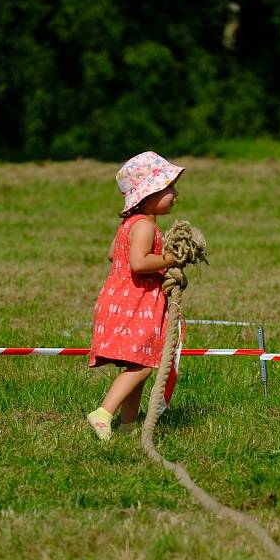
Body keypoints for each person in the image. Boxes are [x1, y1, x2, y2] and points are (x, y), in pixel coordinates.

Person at [87, 150, 185, 441]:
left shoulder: (130, 224)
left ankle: (128, 425)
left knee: (138, 363)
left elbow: (112, 254)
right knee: (142, 367)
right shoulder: (145, 225)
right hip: (135, 304)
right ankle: (103, 412)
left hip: (123, 301)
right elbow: (139, 263)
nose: (175, 193)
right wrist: (169, 259)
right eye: (169, 188)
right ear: (149, 193)